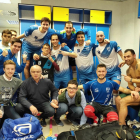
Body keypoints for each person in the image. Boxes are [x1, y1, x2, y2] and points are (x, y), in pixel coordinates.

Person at [92, 31, 124, 104]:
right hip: (104, 73)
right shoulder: (95, 49)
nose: (100, 37)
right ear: (96, 38)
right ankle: (106, 106)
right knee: (104, 90)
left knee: (115, 89)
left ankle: (115, 107)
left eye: (101, 35)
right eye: (98, 36)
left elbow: (122, 55)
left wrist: (124, 61)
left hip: (115, 71)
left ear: (104, 36)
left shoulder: (113, 44)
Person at [115, 49, 140, 125]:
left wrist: (132, 79)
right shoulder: (128, 70)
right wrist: (134, 90)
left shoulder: (139, 65)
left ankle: (121, 127)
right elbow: (130, 85)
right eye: (125, 57)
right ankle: (123, 121)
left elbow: (131, 80)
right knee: (117, 99)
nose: (126, 59)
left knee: (123, 101)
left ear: (134, 56)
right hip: (138, 91)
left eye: (128, 56)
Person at [0, 60, 22, 128]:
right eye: (8, 69)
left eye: (12, 69)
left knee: (19, 121)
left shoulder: (17, 81)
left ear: (14, 70)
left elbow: (28, 84)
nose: (10, 71)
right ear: (4, 69)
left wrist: (39, 77)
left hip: (7, 105)